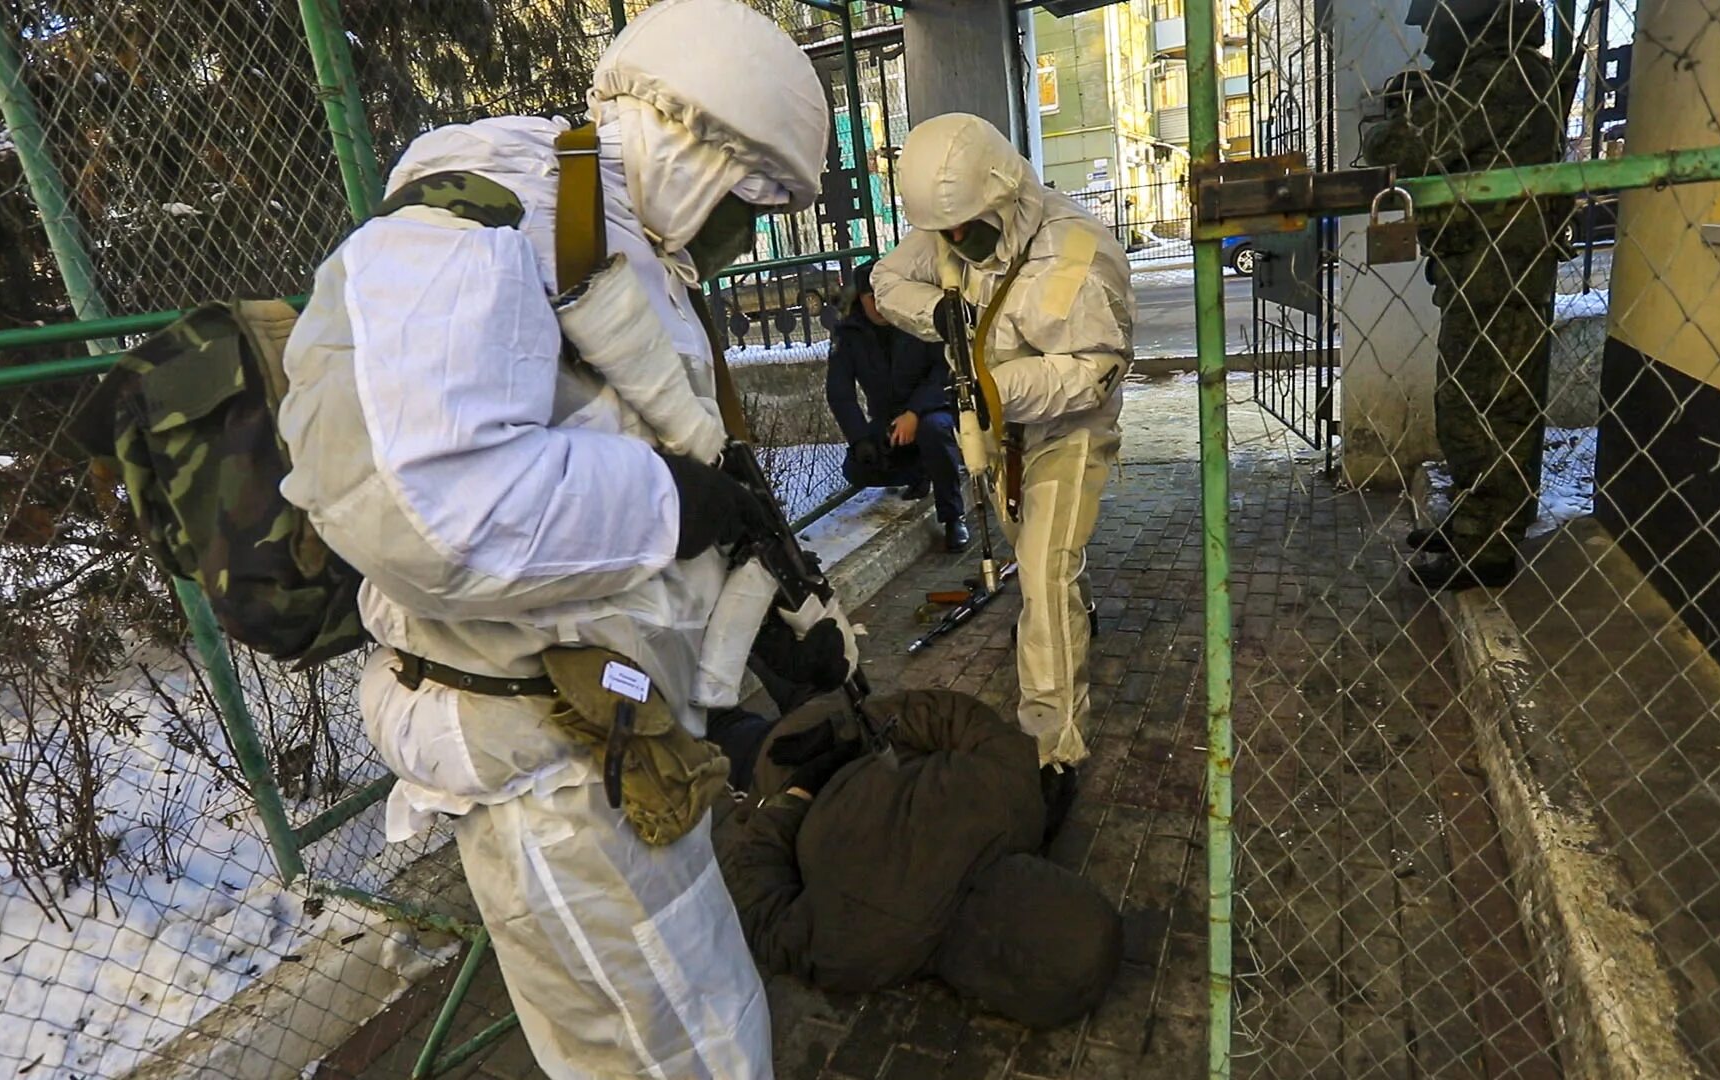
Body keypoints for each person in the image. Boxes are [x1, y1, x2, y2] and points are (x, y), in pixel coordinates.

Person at [275, 2, 838, 1076]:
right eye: (751, 197)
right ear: (686, 141)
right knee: (688, 1053)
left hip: (607, 742)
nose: (749, 232)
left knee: (687, 1035)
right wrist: (671, 505)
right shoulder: (483, 225)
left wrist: (758, 658)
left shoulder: (608, 239)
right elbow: (426, 506)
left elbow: (614, 490)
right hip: (550, 770)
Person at [872, 113, 1134, 825]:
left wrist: (1000, 389)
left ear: (1003, 192)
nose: (952, 244)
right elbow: (888, 278)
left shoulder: (1073, 253)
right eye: (943, 233)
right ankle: (1065, 628)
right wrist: (945, 311)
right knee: (1037, 563)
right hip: (993, 435)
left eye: (962, 230)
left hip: (1064, 431)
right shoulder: (952, 224)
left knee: (1044, 581)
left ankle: (1054, 753)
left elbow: (1099, 369)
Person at [709, 689, 1124, 1027]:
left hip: (796, 750)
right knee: (714, 718)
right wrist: (842, 744)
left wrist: (824, 764)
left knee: (718, 715)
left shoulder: (1018, 801)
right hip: (790, 756)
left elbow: (949, 714)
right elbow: (757, 900)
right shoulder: (869, 949)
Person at [1361, 0, 1569, 590]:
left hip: (1501, 268)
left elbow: (1396, 149)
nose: (1424, 37)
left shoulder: (1503, 76)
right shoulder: (1486, 75)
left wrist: (1402, 114)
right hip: (1483, 266)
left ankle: (1489, 542)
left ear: (1467, 19)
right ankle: (1476, 520)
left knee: (1487, 404)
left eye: (1431, 23)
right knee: (1468, 400)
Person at [826, 262, 970, 552]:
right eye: (871, 297)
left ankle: (954, 517)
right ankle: (920, 471)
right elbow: (839, 392)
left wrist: (915, 413)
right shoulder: (849, 334)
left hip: (931, 410)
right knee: (857, 469)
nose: (878, 304)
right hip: (888, 419)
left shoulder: (916, 320)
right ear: (860, 299)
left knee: (935, 432)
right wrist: (860, 439)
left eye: (883, 295)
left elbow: (943, 369)